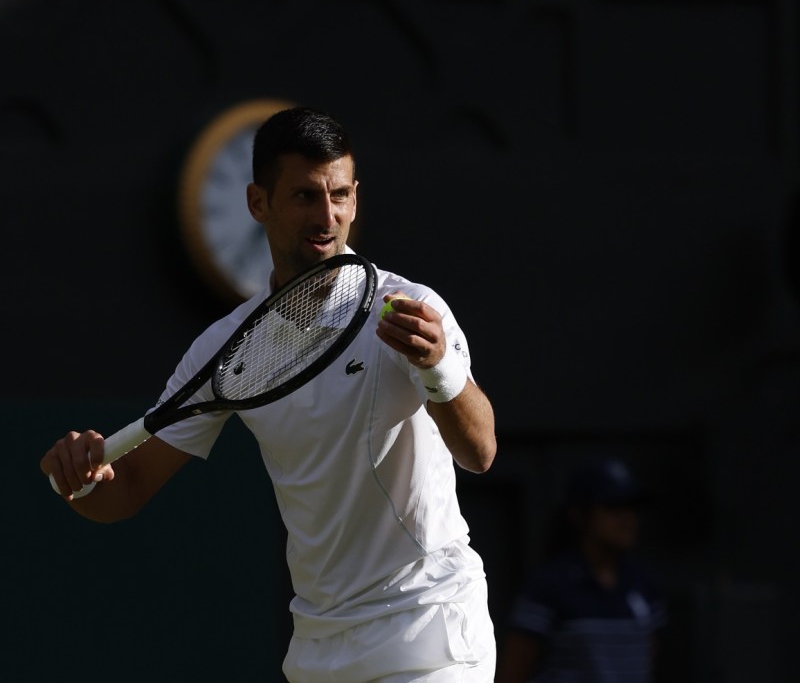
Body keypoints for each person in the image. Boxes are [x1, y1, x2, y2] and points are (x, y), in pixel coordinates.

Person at [40, 106, 498, 682]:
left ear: (355, 199)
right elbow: (127, 487)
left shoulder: (407, 308)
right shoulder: (224, 347)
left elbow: (480, 452)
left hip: (430, 629)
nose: (326, 216)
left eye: (338, 195)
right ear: (259, 203)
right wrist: (82, 482)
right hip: (320, 647)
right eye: (305, 196)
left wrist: (439, 370)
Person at [496, 457, 668, 683]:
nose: (627, 517)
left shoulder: (644, 584)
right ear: (579, 514)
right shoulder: (548, 586)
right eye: (613, 506)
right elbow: (513, 674)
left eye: (632, 506)